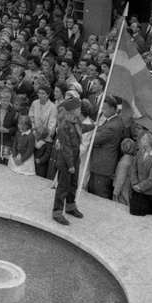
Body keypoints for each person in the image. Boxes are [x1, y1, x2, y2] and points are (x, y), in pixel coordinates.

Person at [51, 95, 85, 225]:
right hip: (66, 161)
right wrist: (70, 165)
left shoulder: (76, 121)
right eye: (78, 108)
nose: (80, 110)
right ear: (72, 110)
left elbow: (83, 128)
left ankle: (71, 207)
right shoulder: (64, 126)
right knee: (63, 186)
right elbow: (66, 148)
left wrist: (94, 126)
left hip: (75, 158)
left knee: (73, 185)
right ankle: (57, 212)